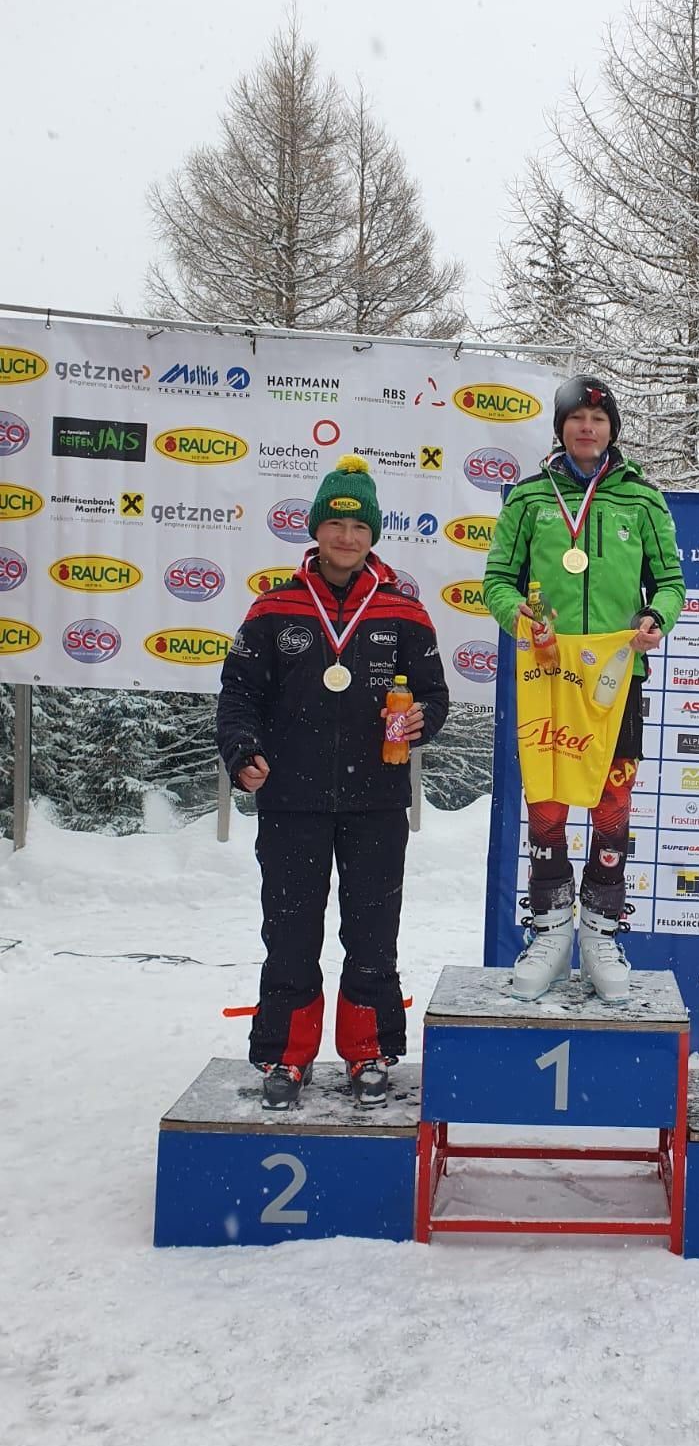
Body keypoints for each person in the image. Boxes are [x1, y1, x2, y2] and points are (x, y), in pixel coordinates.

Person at [217, 454, 449, 1110]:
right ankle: (287, 1058)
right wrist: (242, 752)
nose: (346, 537)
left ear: (373, 534)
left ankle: (369, 1050)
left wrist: (417, 720)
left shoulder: (403, 609)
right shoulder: (274, 607)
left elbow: (434, 696)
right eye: (336, 524)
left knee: (373, 933)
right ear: (316, 529)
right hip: (292, 799)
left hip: (377, 800)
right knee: (290, 932)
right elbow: (238, 696)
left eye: (358, 526)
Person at [483, 374, 685, 1004]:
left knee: (610, 810)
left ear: (612, 430)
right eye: (577, 419)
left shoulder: (643, 501)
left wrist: (657, 621)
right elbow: (497, 582)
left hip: (615, 681)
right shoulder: (527, 499)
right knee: (546, 807)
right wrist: (523, 617)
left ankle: (600, 930)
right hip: (547, 677)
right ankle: (549, 929)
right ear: (561, 427)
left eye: (599, 420)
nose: (588, 429)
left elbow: (671, 583)